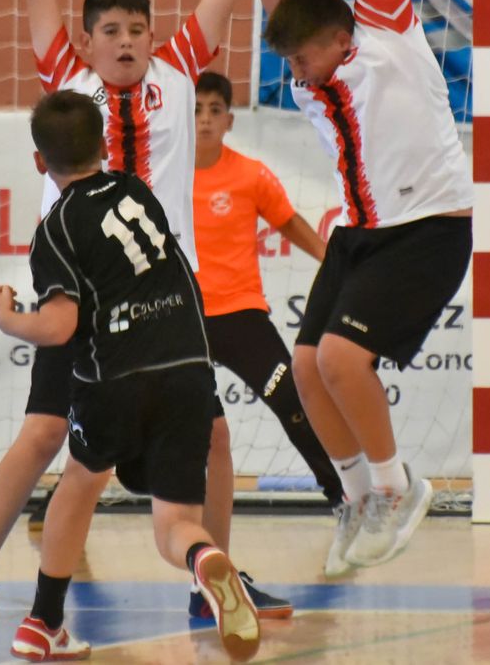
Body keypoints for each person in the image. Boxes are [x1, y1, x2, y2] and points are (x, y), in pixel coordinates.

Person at [0, 0, 333, 626]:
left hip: (160, 293)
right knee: (47, 431)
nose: (124, 42)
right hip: (82, 289)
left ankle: (208, 581)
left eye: (135, 30)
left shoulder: (182, 75)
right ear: (87, 43)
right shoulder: (66, 76)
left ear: (154, 37)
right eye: (109, 31)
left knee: (214, 437)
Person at [255, 0, 474, 575]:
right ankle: (352, 500)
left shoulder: (386, 34)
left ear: (339, 35)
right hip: (360, 235)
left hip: (430, 227)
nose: (297, 72)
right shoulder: (310, 79)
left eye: (303, 55)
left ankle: (397, 487)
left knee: (346, 363)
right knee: (307, 368)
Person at [0, 90, 260, 662]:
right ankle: (203, 559)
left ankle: (43, 622)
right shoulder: (139, 192)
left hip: (115, 377)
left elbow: (61, 326)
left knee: (82, 479)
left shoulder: (56, 228)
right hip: (188, 369)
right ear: (106, 146)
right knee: (177, 524)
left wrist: (12, 319)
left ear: (40, 161)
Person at [190, 70, 345, 590]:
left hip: (240, 316)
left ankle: (342, 501)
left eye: (216, 110)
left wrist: (332, 259)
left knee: (293, 402)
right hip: (181, 321)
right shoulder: (161, 177)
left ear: (230, 120)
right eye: (197, 109)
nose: (206, 119)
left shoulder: (250, 175)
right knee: (134, 412)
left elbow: (288, 221)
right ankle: (64, 495)